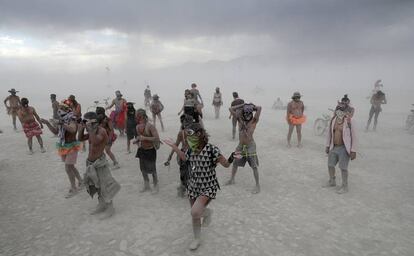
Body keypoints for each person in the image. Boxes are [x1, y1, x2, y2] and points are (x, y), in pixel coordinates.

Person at [163, 122, 236, 250]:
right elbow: (185, 158)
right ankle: (197, 238)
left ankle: (207, 214)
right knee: (195, 216)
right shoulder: (191, 150)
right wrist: (174, 146)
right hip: (193, 185)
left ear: (199, 134)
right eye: (187, 136)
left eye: (190, 135)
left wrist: (232, 157)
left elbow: (226, 164)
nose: (188, 139)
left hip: (208, 186)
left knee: (195, 211)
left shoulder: (212, 149)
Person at [78, 112, 121, 219]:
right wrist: (81, 128)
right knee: (96, 186)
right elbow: (80, 138)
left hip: (100, 163)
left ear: (93, 121)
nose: (85, 123)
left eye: (87, 121)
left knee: (104, 186)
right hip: (91, 163)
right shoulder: (91, 130)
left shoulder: (101, 131)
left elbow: (95, 141)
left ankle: (110, 208)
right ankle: (102, 204)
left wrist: (90, 129)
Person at [40, 103, 83, 198]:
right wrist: (47, 123)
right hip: (63, 146)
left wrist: (61, 123)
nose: (59, 111)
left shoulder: (72, 119)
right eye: (59, 109)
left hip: (72, 145)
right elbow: (56, 132)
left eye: (61, 109)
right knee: (71, 166)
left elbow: (72, 130)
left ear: (67, 110)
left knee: (68, 167)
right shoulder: (62, 120)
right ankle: (81, 180)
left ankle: (74, 188)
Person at [226, 103, 262, 194]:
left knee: (254, 166)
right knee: (235, 163)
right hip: (240, 146)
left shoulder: (254, 121)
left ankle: (257, 185)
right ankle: (232, 179)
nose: (247, 115)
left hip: (250, 146)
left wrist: (252, 106)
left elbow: (259, 108)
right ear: (243, 113)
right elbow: (230, 108)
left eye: (249, 113)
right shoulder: (240, 120)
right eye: (246, 113)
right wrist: (242, 105)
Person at [324, 101, 357, 194]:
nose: (339, 111)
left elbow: (354, 137)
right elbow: (329, 134)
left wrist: (353, 150)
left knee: (343, 168)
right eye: (338, 109)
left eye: (342, 109)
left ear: (345, 111)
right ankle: (332, 181)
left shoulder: (349, 121)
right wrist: (327, 146)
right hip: (333, 146)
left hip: (344, 148)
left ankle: (345, 186)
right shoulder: (333, 120)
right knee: (330, 165)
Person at [164, 114, 192, 197]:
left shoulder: (182, 133)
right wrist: (169, 157)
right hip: (188, 155)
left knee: (185, 174)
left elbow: (175, 146)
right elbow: (175, 145)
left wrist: (169, 157)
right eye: (185, 123)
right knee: (188, 174)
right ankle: (184, 190)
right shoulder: (185, 133)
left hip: (183, 154)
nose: (185, 125)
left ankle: (182, 190)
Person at [134, 109, 160, 194]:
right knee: (143, 169)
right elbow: (139, 137)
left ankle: (156, 186)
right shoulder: (137, 126)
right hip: (142, 149)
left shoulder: (150, 126)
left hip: (150, 150)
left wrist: (144, 138)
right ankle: (147, 185)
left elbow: (156, 138)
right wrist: (137, 140)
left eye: (137, 115)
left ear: (141, 116)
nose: (136, 117)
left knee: (152, 169)